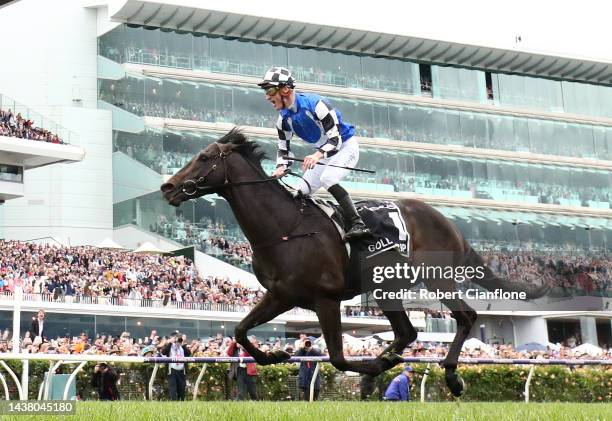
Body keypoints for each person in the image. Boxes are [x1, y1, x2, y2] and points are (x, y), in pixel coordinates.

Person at [258, 67, 371, 241]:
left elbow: (335, 141)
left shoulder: (317, 105)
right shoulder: (282, 120)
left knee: (328, 178)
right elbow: (283, 149)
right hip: (325, 153)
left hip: (345, 147)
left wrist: (317, 156)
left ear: (285, 89)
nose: (267, 97)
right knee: (299, 193)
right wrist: (281, 166)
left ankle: (359, 224)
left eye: (270, 90)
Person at [160, 330, 191, 401]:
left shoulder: (182, 347)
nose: (178, 340)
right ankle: (173, 402)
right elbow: (164, 352)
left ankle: (181, 401)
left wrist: (182, 344)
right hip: (172, 370)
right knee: (173, 387)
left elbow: (188, 353)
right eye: (176, 338)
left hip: (181, 370)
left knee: (182, 387)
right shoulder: (169, 346)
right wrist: (171, 342)